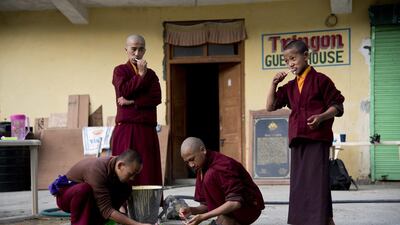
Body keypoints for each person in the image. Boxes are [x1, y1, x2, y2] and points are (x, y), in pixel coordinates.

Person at [266, 40, 345, 225]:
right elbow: (270, 107)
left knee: (317, 185)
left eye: (293, 58)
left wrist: (322, 117)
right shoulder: (291, 86)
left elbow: (338, 105)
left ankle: (321, 220)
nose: (290, 64)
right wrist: (274, 84)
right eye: (286, 61)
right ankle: (312, 220)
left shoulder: (321, 80)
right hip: (298, 141)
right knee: (300, 186)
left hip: (317, 140)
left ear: (306, 56)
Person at [49, 149, 153, 225]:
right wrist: (137, 224)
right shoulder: (97, 170)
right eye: (131, 174)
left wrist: (122, 214)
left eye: (136, 175)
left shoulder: (116, 167)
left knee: (126, 188)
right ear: (120, 165)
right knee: (84, 189)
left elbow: (113, 204)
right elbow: (107, 210)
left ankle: (99, 222)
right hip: (67, 197)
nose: (132, 178)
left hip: (89, 198)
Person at [111, 34, 162, 186]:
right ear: (126, 49)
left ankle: (149, 206)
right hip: (126, 128)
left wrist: (133, 101)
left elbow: (156, 98)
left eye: (140, 49)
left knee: (147, 170)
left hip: (146, 129)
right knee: (124, 170)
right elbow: (124, 91)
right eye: (133, 49)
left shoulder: (151, 75)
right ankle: (122, 206)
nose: (137, 53)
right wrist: (140, 75)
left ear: (144, 51)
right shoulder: (120, 71)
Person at [179, 137, 265, 225]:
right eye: (187, 162)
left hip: (249, 209)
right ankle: (225, 219)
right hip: (231, 209)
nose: (191, 165)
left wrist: (203, 217)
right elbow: (207, 205)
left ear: (203, 150)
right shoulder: (201, 168)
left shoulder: (222, 165)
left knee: (210, 175)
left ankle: (230, 220)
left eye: (192, 159)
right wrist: (191, 210)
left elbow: (235, 203)